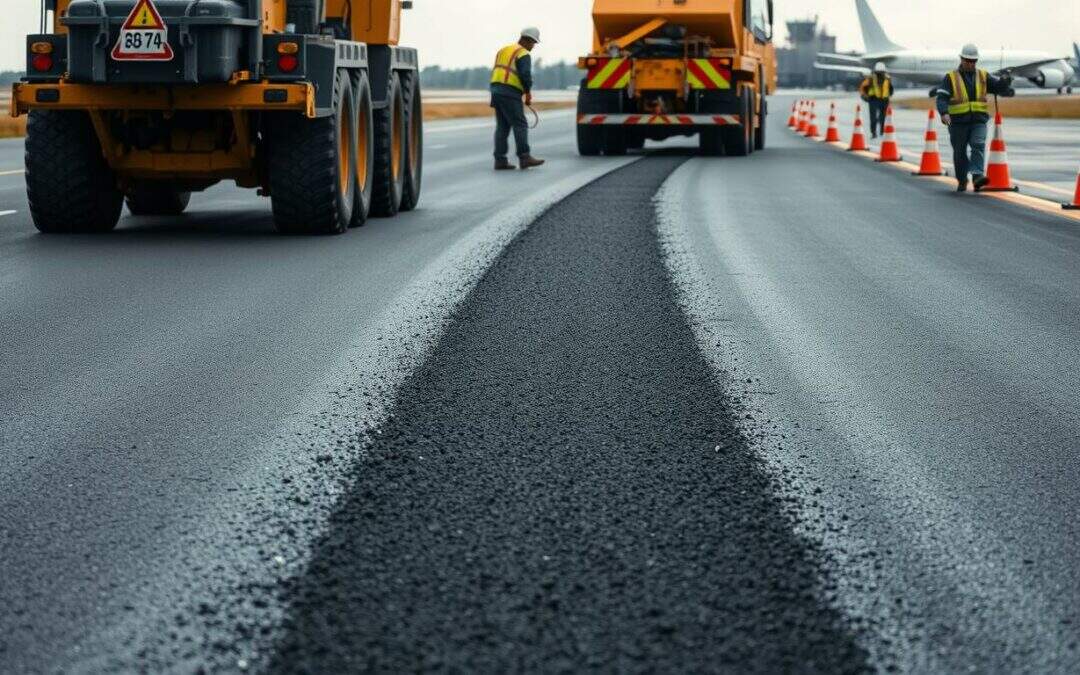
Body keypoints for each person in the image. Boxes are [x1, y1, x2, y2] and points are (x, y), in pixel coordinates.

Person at [936, 44, 1015, 192]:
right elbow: (941, 97)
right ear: (961, 59)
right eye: (967, 60)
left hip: (978, 121)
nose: (970, 63)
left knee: (978, 144)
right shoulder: (950, 78)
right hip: (957, 123)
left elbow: (998, 87)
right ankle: (962, 179)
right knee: (959, 153)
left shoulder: (983, 76)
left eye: (973, 61)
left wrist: (1005, 81)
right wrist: (944, 112)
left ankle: (977, 177)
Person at [490, 28, 545, 171]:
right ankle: (525, 157)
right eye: (533, 43)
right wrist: (528, 93)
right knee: (520, 124)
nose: (533, 46)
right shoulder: (523, 53)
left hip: (496, 90)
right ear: (526, 40)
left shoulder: (504, 50)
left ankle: (500, 160)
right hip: (510, 91)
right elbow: (525, 75)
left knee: (502, 126)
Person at [859, 62, 893, 138]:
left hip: (884, 100)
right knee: (873, 118)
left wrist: (889, 96)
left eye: (882, 72)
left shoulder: (887, 78)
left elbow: (890, 89)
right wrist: (864, 96)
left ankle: (881, 131)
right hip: (873, 99)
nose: (880, 74)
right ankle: (874, 132)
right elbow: (863, 87)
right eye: (879, 72)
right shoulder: (871, 78)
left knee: (883, 117)